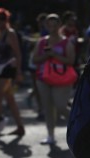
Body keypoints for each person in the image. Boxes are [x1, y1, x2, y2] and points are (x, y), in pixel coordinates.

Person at [32, 13, 76, 145]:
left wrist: (54, 55)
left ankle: (77, 126)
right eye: (49, 23)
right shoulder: (42, 42)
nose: (52, 26)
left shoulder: (66, 42)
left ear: (59, 24)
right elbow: (35, 59)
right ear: (46, 25)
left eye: (55, 23)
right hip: (43, 78)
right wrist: (46, 55)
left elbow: (70, 61)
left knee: (61, 106)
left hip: (61, 79)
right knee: (48, 107)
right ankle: (50, 135)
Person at [0, 8, 25, 139]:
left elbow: (18, 54)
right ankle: (20, 127)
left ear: (7, 20)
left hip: (8, 70)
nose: (0, 21)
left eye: (3, 18)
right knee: (10, 99)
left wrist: (18, 72)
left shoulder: (10, 33)